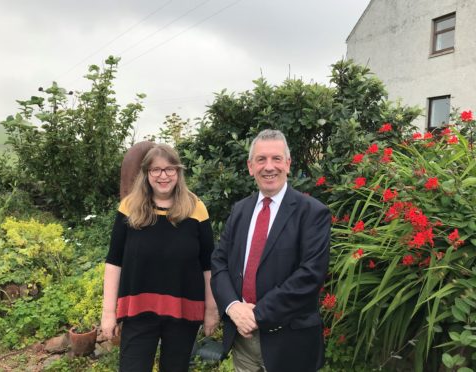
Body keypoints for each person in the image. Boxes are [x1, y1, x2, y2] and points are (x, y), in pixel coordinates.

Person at [211, 129, 331, 372]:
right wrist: (233, 306)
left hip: (290, 343)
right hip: (243, 340)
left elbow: (310, 275)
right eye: (261, 159)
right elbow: (219, 262)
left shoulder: (312, 212)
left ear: (288, 164)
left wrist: (257, 315)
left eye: (276, 158)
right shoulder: (240, 210)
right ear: (250, 166)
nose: (269, 167)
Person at [101, 143, 219, 372]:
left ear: (178, 172)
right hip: (138, 311)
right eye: (155, 170)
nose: (163, 176)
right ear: (146, 174)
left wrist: (211, 310)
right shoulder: (129, 207)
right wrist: (108, 313)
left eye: (169, 169)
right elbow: (114, 261)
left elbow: (208, 264)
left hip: (183, 310)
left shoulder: (196, 208)